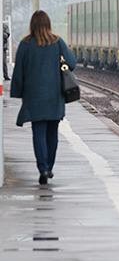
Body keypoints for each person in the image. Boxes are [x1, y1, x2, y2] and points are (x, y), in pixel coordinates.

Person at [10, 10, 77, 185]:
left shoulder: (25, 44)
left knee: (38, 133)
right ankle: (49, 167)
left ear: (32, 25)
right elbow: (72, 63)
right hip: (55, 96)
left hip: (33, 96)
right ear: (48, 24)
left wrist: (17, 92)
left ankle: (43, 168)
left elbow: (18, 72)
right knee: (52, 133)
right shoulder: (57, 42)